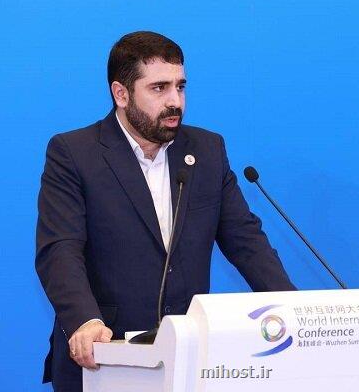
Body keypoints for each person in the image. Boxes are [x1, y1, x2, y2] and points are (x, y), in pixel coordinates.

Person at [35, 31, 295, 392]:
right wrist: (84, 320)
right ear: (121, 94)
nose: (175, 101)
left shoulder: (206, 149)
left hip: (188, 360)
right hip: (105, 357)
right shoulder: (74, 153)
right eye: (159, 88)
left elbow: (246, 241)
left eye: (180, 87)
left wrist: (294, 310)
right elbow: (60, 250)